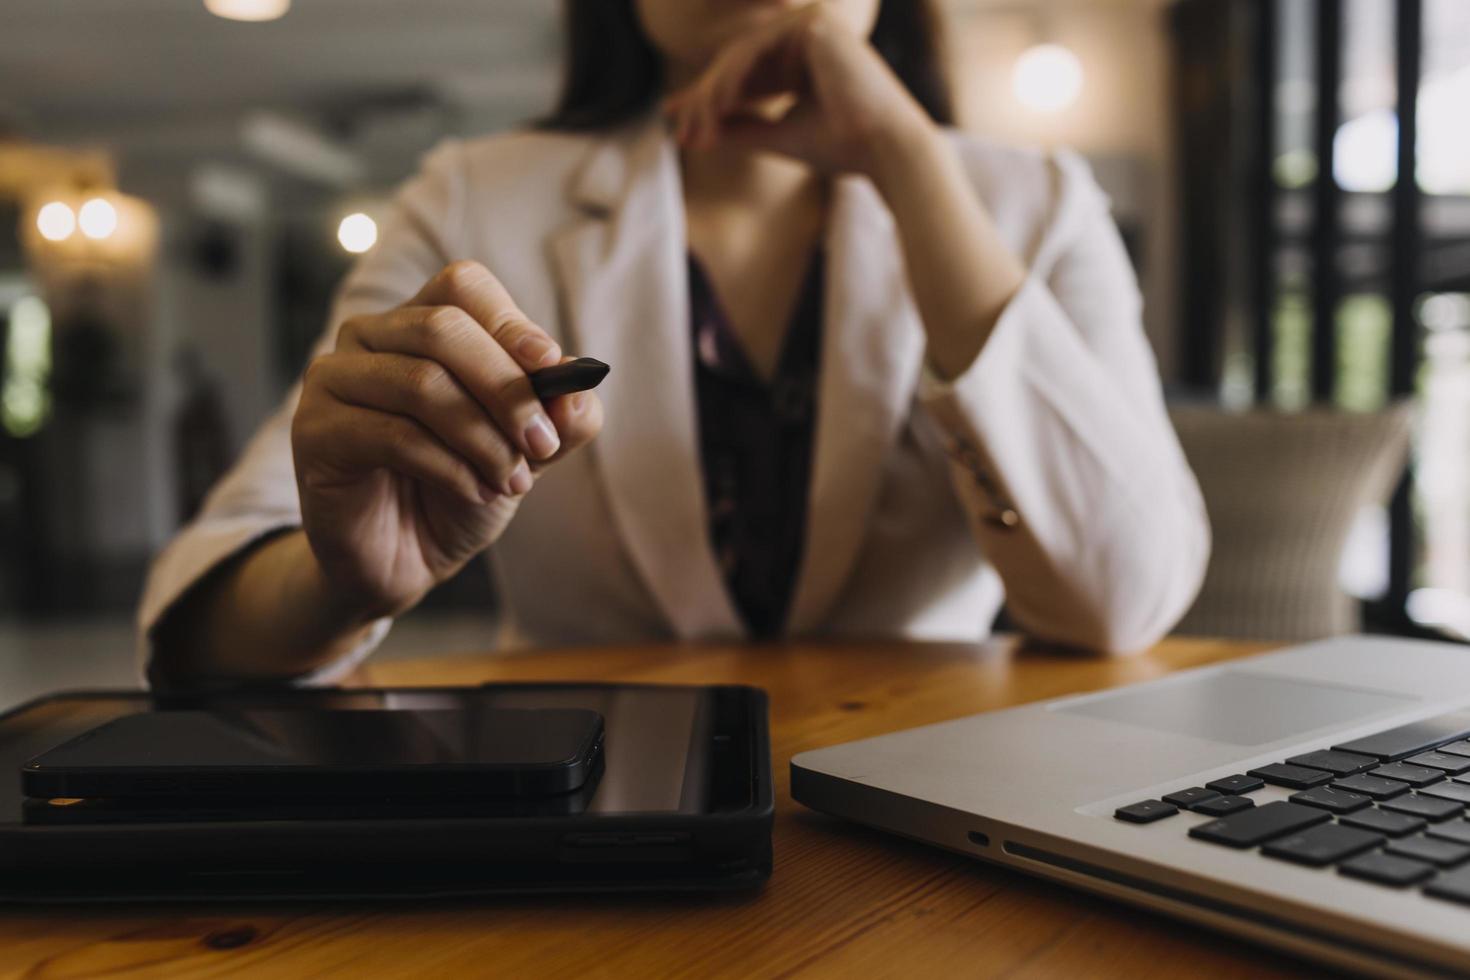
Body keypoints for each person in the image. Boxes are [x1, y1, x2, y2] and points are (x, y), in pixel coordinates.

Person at [141, 0, 1209, 687]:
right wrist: (345, 584)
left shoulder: (1038, 203)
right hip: (583, 821)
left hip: (946, 812)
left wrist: (904, 156)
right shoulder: (469, 201)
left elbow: (1125, 598)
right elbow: (199, 622)